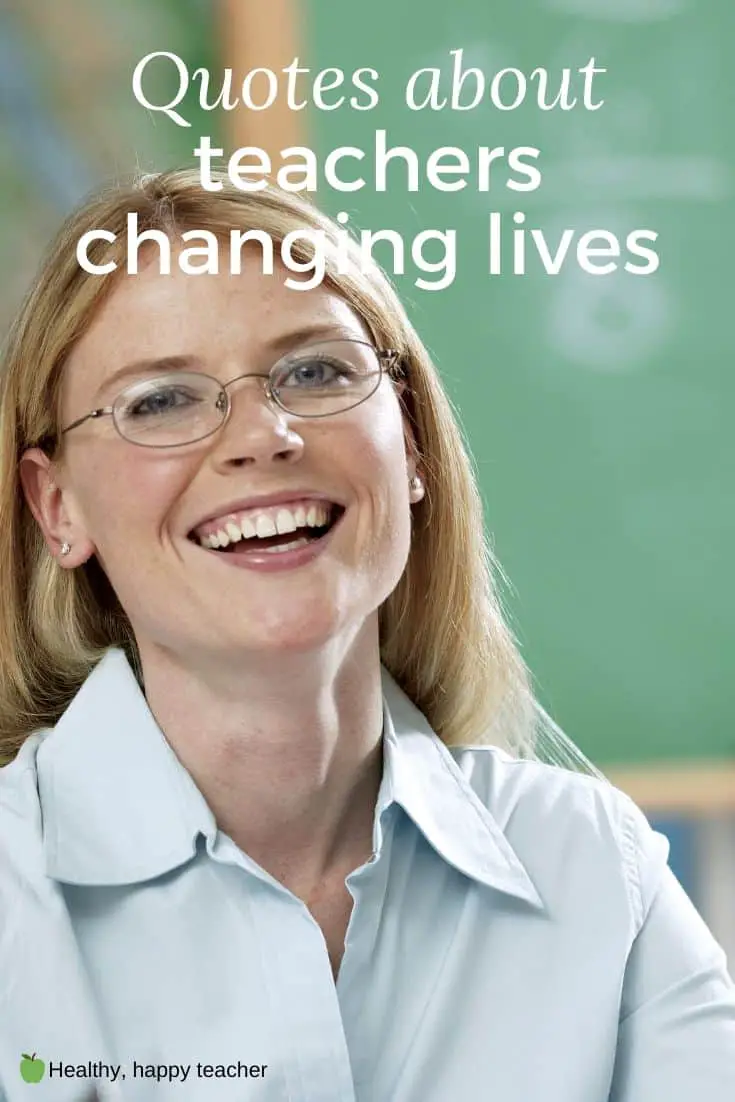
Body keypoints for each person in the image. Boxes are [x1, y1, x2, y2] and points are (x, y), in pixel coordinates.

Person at [0, 170, 732, 1102]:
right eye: (160, 400)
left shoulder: (591, 866)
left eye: (314, 372)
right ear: (57, 507)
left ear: (411, 443)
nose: (261, 435)